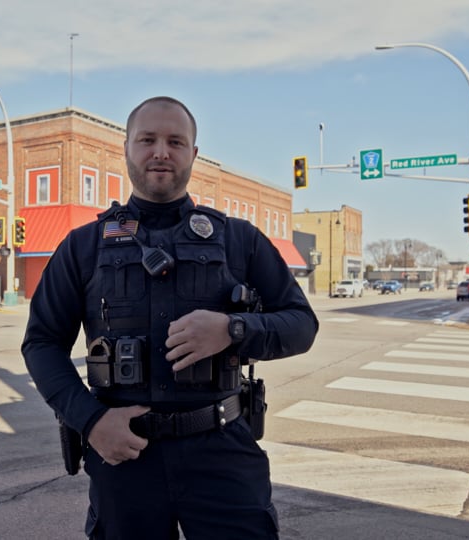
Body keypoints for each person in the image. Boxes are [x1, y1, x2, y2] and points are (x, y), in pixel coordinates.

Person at [22, 96, 318, 539]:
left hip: (222, 453)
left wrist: (232, 330)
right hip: (125, 454)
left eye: (175, 141)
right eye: (148, 140)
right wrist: (91, 420)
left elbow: (301, 324)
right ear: (127, 148)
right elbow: (42, 342)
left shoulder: (239, 240)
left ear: (193, 154)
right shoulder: (83, 247)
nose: (161, 151)